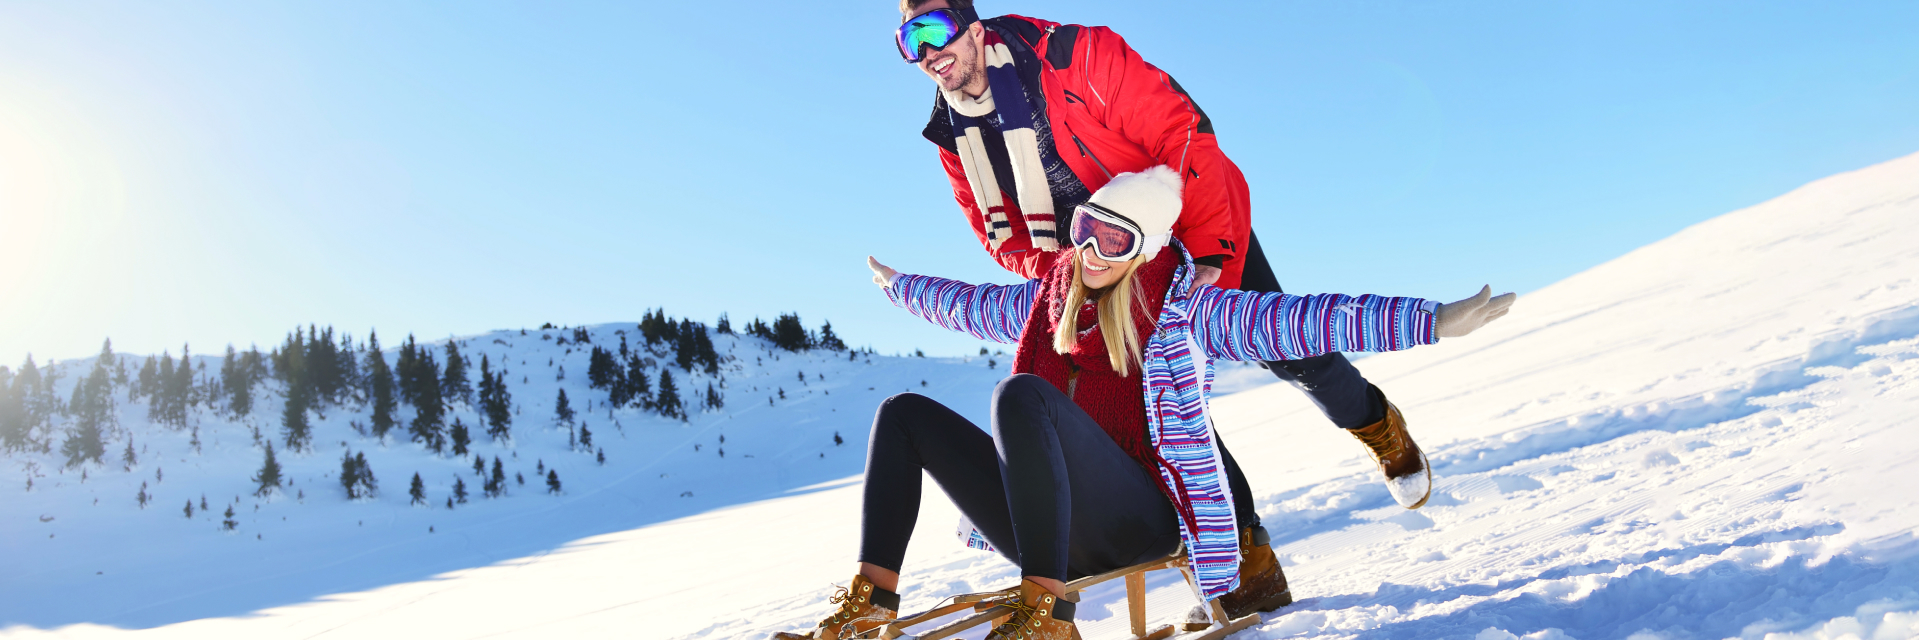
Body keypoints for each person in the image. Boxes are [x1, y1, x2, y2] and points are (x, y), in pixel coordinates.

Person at [771, 168, 1514, 640]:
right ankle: (872, 603)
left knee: (1020, 397)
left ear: (1147, 247)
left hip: (1140, 519)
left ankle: (1048, 615)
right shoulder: (1048, 299)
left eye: (1114, 239)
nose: (1092, 251)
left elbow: (1299, 318)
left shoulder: (1183, 307)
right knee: (904, 411)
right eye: (1085, 229)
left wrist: (1431, 319)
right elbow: (964, 303)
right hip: (1047, 526)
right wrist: (899, 286)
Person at [895, 0, 1437, 520]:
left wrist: (1210, 246)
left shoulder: (1073, 55)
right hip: (1103, 262)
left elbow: (1182, 133)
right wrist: (1065, 277)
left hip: (1186, 222)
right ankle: (1245, 554)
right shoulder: (952, 135)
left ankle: (1375, 424)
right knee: (1158, 407)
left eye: (934, 29)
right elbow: (1001, 238)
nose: (926, 52)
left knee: (1283, 347)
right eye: (908, 42)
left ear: (972, 26)